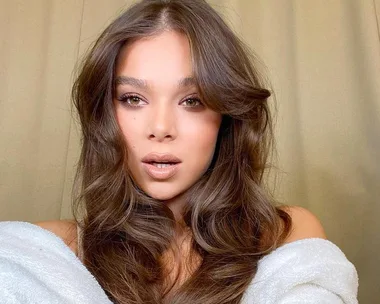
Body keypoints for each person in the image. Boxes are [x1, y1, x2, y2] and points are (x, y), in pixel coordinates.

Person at [0, 0, 358, 303]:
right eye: (133, 99)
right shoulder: (47, 251)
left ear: (227, 115)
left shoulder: (284, 236)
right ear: (105, 115)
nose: (160, 127)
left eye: (192, 100)